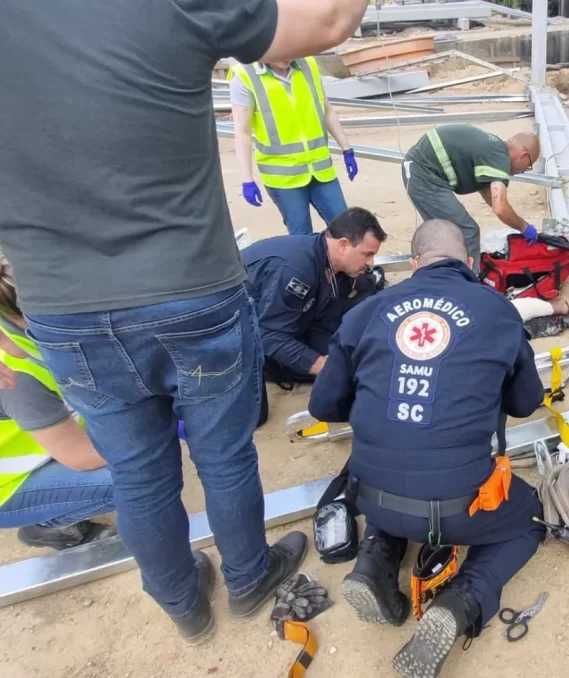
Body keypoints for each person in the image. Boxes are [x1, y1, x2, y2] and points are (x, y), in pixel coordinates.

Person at [0, 0, 367, 644]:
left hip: (66, 309)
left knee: (138, 470)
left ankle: (180, 603)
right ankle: (250, 579)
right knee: (223, 455)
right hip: (190, 289)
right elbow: (330, 21)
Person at [308, 219, 546, 677]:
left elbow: (324, 406)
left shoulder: (366, 312)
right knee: (529, 517)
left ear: (414, 264)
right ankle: (462, 601)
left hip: (373, 496)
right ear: (470, 263)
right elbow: (525, 403)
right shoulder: (497, 311)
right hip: (461, 505)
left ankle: (374, 563)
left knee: (396, 461)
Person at [0, 261, 116, 550]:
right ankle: (49, 526)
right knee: (135, 474)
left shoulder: (23, 329)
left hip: (48, 442)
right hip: (8, 486)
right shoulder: (16, 376)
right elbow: (82, 457)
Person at [243, 207, 386, 423]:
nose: (370, 263)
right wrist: (323, 365)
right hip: (247, 330)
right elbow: (270, 335)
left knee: (352, 353)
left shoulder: (328, 256)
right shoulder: (297, 270)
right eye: (367, 254)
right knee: (252, 417)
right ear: (344, 244)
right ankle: (271, 368)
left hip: (297, 318)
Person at [229, 54, 359, 236]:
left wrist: (347, 149)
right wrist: (247, 179)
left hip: (320, 169)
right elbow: (242, 132)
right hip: (283, 177)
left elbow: (326, 110)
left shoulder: (308, 65)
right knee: (300, 234)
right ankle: (310, 265)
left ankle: (355, 266)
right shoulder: (245, 76)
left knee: (348, 229)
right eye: (283, 52)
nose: (288, 57)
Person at [403, 124, 541, 271]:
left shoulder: (492, 148)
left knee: (448, 233)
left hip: (420, 170)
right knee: (466, 231)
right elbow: (500, 207)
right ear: (524, 155)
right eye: (527, 166)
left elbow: (490, 197)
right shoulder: (499, 156)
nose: (522, 171)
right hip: (424, 175)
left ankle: (445, 274)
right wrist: (523, 227)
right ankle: (467, 283)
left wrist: (518, 225)